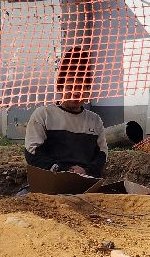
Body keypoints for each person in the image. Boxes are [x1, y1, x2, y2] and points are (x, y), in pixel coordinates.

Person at [23, 51, 108, 179]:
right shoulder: (43, 115)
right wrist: (64, 171)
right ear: (60, 87)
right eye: (70, 87)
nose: (75, 93)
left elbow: (102, 155)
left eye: (81, 88)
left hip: (85, 184)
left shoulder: (95, 121)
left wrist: (86, 171)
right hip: (51, 184)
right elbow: (32, 152)